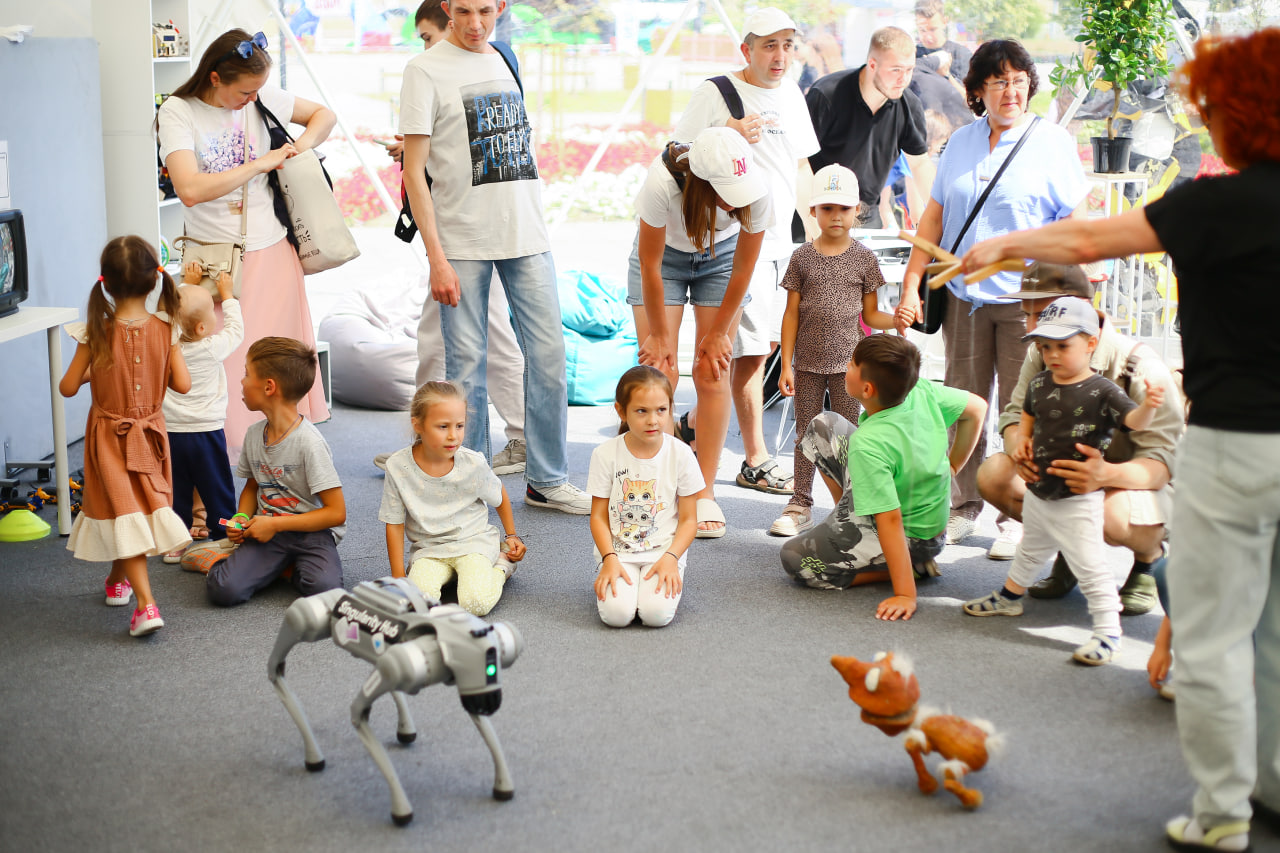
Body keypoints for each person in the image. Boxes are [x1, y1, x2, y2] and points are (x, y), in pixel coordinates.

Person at [958, 28, 1280, 850]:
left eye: (1211, 108)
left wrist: (1000, 246)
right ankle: (1272, 785)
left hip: (1235, 443)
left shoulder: (1213, 205)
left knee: (1212, 636)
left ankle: (1222, 813)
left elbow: (1089, 240)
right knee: (1276, 631)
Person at [895, 39, 1088, 546]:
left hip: (1031, 303)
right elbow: (933, 218)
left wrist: (1067, 300)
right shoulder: (960, 141)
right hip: (964, 298)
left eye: (1020, 81)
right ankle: (963, 504)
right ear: (978, 88)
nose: (1011, 91)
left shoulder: (1051, 142)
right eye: (999, 81)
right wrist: (912, 282)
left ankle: (1016, 515)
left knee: (1025, 408)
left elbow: (1074, 224)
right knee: (963, 403)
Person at [400, 0, 589, 513]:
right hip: (460, 243)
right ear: (447, 8)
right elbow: (413, 173)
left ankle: (547, 478)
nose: (475, 23)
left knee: (549, 358)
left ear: (501, 7)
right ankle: (473, 482)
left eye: (485, 10)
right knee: (466, 369)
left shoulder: (504, 56)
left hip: (527, 234)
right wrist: (435, 256)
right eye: (463, 11)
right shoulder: (423, 70)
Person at [157, 29, 335, 462]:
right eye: (244, 92)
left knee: (278, 365)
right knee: (218, 365)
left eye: (258, 90)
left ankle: (282, 465)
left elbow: (323, 116)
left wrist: (297, 149)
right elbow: (190, 188)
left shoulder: (261, 95)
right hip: (215, 264)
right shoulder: (179, 111)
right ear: (215, 78)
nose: (253, 99)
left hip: (273, 251)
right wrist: (260, 163)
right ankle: (219, 469)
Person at [961, 297, 1166, 666]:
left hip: (1078, 496)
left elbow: (1135, 422)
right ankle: (1009, 598)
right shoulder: (1041, 380)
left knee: (1091, 567)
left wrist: (1150, 404)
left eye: (1063, 346)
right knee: (1030, 550)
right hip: (1041, 490)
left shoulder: (1103, 390)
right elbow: (1026, 410)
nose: (1053, 354)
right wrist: (1022, 439)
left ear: (1091, 342)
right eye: (1046, 347)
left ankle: (1108, 631)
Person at [670, 8, 819, 502]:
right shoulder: (715, 91)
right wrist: (729, 130)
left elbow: (799, 168)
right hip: (730, 244)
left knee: (760, 350)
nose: (779, 56)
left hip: (777, 244)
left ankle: (694, 425)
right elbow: (676, 152)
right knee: (731, 352)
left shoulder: (793, 95)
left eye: (787, 45)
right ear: (747, 50)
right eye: (768, 45)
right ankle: (752, 458)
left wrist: (815, 233)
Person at [976, 263, 1183, 616]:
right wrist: (1018, 445)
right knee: (996, 473)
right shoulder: (1042, 350)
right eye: (1026, 315)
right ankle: (1071, 553)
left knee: (1110, 513)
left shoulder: (1139, 365)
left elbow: (1162, 465)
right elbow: (1014, 413)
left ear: (1083, 306)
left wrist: (1105, 476)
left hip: (1136, 485)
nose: (1030, 327)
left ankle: (1148, 559)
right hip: (1070, 477)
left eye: (1041, 313)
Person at [380, 0, 527, 476]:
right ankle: (431, 439)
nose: (427, 45)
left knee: (480, 341)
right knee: (452, 339)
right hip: (459, 233)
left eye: (428, 35)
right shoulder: (440, 74)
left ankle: (437, 443)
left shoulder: (488, 61)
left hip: (469, 235)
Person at [629, 126, 772, 538]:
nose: (738, 198)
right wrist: (658, 334)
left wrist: (721, 333)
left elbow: (745, 268)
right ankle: (655, 485)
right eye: (727, 189)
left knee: (713, 371)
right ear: (700, 181)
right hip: (663, 263)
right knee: (660, 373)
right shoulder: (662, 182)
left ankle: (704, 491)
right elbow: (650, 266)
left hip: (722, 260)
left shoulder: (757, 190)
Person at [781, 335, 986, 620]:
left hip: (912, 537)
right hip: (927, 525)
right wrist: (953, 466)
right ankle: (853, 519)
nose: (846, 366)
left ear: (867, 388)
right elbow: (977, 409)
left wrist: (905, 594)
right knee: (822, 427)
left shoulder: (870, 443)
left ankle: (903, 569)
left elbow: (890, 520)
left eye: (851, 364)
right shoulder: (920, 390)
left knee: (797, 559)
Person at [59, 236, 192, 637]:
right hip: (150, 436)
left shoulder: (95, 332)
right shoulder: (168, 328)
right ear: (155, 280)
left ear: (106, 283)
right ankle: (134, 592)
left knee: (126, 510)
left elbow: (67, 387)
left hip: (108, 440)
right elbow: (182, 385)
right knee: (134, 511)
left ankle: (139, 598)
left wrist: (93, 372)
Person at [772, 165, 894, 537]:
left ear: (858, 209)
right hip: (806, 364)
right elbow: (791, 313)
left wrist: (900, 320)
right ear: (813, 212)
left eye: (843, 208)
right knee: (805, 433)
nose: (835, 216)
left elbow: (872, 314)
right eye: (826, 208)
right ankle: (800, 503)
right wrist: (786, 364)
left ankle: (854, 506)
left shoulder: (865, 259)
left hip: (850, 369)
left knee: (850, 436)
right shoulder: (802, 258)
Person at [206, 337, 346, 606]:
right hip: (265, 530)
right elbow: (251, 487)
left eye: (247, 374)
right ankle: (237, 562)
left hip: (310, 532)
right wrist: (241, 516)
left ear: (269, 387)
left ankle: (279, 569)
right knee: (224, 590)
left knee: (327, 591)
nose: (242, 381)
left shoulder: (310, 443)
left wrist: (276, 524)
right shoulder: (253, 435)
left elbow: (336, 512)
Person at [380, 381, 525, 616]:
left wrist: (511, 535)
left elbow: (499, 496)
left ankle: (501, 567)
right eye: (443, 426)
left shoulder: (473, 463)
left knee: (475, 604)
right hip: (429, 549)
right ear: (417, 424)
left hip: (473, 542)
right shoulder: (397, 466)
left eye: (459, 426)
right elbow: (393, 522)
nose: (453, 436)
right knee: (415, 605)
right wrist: (398, 578)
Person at [589, 366, 703, 628]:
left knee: (656, 616)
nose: (653, 420)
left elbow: (688, 520)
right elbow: (597, 516)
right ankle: (626, 582)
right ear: (621, 411)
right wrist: (609, 559)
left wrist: (671, 558)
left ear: (670, 408)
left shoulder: (682, 454)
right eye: (642, 411)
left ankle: (650, 587)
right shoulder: (605, 454)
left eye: (661, 410)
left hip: (664, 552)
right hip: (618, 552)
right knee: (616, 616)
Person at [802, 26, 929, 231]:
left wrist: (941, 218)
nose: (903, 79)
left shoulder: (909, 105)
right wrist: (812, 226)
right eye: (896, 69)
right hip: (819, 212)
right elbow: (800, 165)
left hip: (868, 216)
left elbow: (920, 164)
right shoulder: (826, 95)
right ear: (872, 64)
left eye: (909, 69)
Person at [161, 268, 244, 565]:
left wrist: (187, 286)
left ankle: (175, 541)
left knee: (176, 489)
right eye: (212, 311)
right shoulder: (210, 348)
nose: (216, 314)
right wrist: (227, 296)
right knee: (216, 484)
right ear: (201, 329)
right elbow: (236, 330)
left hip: (171, 432)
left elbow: (173, 316)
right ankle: (223, 536)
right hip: (206, 432)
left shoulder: (165, 348)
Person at [913, 0, 970, 90]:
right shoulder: (911, 55)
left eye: (933, 30)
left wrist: (946, 75)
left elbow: (967, 100)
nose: (928, 37)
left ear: (944, 22)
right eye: (922, 30)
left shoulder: (962, 54)